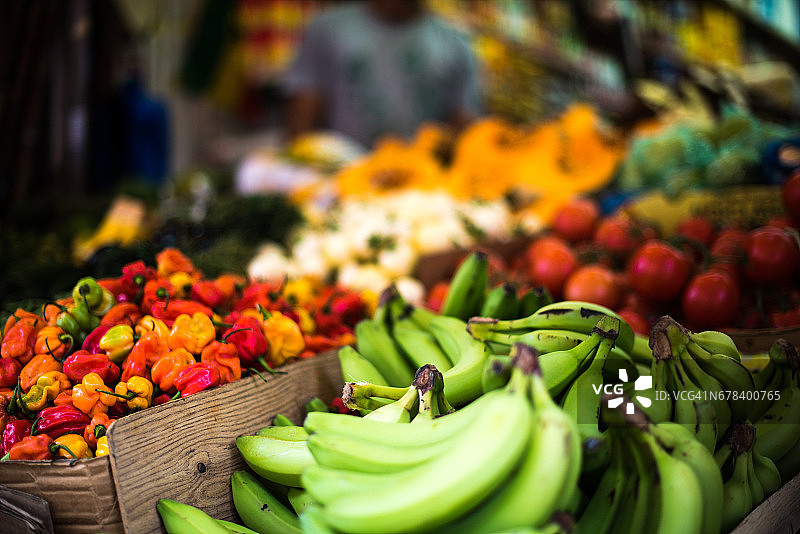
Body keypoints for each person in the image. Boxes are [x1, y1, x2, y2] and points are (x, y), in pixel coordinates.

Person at [284, 0, 481, 148]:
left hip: (421, 186)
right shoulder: (328, 30)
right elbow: (303, 110)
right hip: (342, 181)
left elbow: (465, 125)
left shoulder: (455, 44)